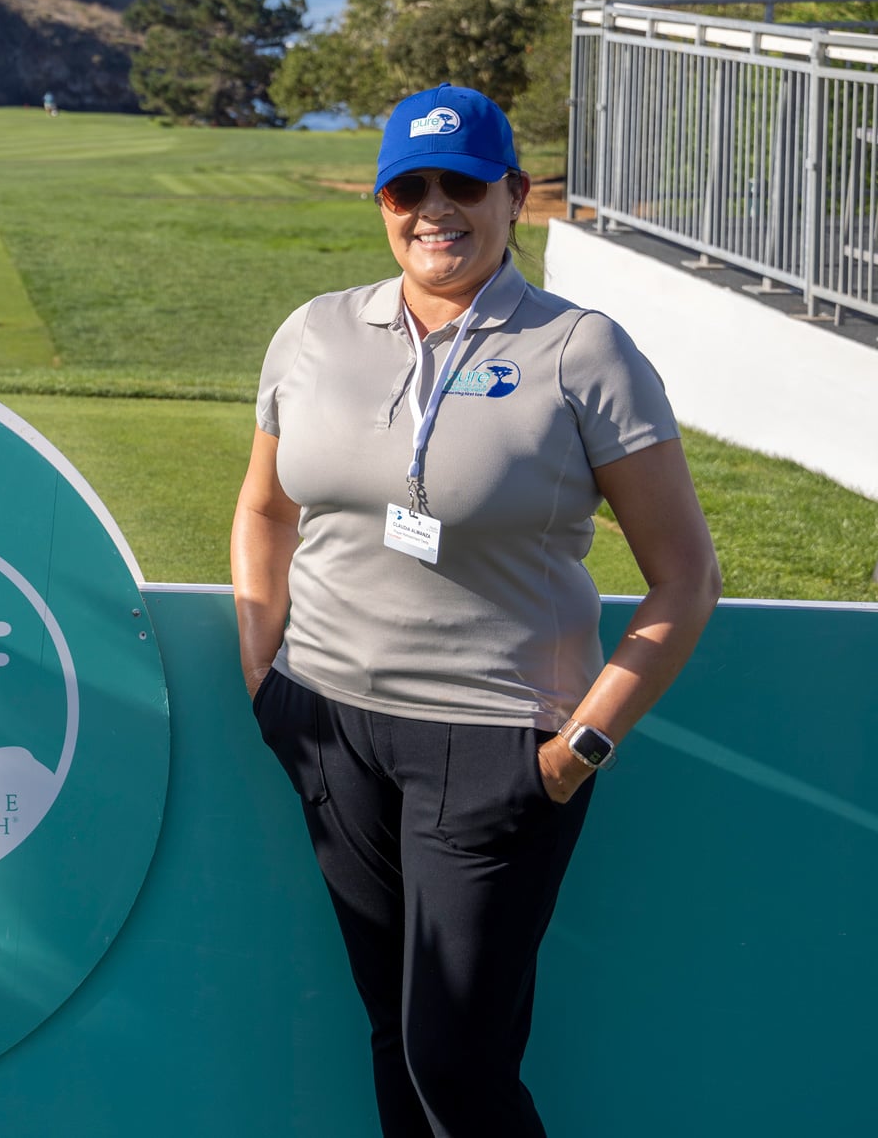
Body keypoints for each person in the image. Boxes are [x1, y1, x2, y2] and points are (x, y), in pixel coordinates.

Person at [232, 85, 719, 1138]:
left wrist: (578, 749)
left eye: (462, 183)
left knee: (455, 1059)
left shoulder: (581, 350)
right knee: (395, 1036)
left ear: (515, 194)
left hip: (496, 742)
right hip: (327, 725)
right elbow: (265, 509)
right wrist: (262, 669)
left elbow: (685, 577)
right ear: (381, 201)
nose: (434, 208)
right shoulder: (315, 332)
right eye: (407, 187)